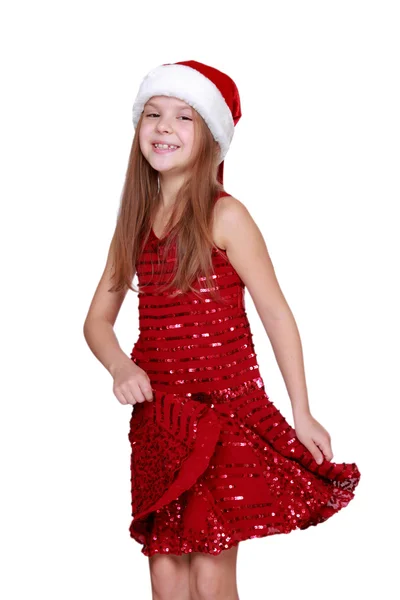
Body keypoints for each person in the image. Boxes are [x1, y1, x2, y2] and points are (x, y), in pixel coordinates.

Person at [83, 60, 361, 600]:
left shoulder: (225, 216)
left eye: (183, 117)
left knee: (210, 570)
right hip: (160, 418)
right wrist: (120, 365)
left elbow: (276, 314)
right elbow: (97, 320)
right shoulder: (135, 222)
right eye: (153, 114)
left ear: (211, 137)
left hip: (223, 411)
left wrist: (301, 410)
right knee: (166, 572)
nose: (164, 127)